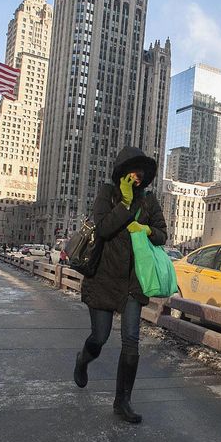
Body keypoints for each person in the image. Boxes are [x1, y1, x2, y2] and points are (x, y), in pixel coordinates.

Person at [73, 146, 167, 424]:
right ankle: (83, 359)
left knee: (131, 341)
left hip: (133, 283)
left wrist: (148, 230)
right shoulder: (107, 194)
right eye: (132, 171)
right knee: (99, 338)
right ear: (122, 172)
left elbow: (163, 234)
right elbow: (102, 228)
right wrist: (124, 204)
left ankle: (122, 401)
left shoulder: (150, 202)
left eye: (141, 173)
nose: (137, 177)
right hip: (103, 278)